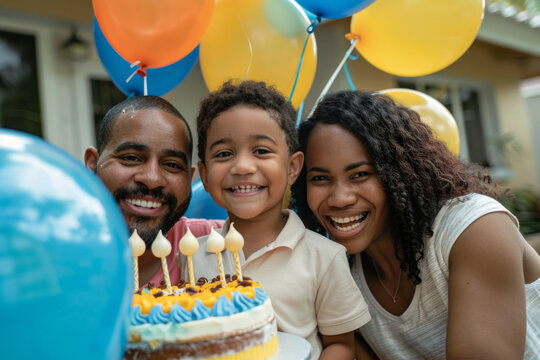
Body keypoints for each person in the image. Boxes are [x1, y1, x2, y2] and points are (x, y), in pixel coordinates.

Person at [291, 89, 540, 360]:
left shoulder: (475, 227)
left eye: (360, 174)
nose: (340, 198)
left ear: (398, 173)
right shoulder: (340, 274)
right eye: (320, 179)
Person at [179, 81, 371, 360]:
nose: (243, 166)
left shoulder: (324, 257)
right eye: (224, 154)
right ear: (205, 175)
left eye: (261, 151)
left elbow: (340, 345)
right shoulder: (192, 253)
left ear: (293, 168)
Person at [85, 95, 223, 289]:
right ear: (92, 164)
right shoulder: (49, 253)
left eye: (172, 165)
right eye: (131, 158)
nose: (152, 179)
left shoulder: (217, 242)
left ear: (190, 177)